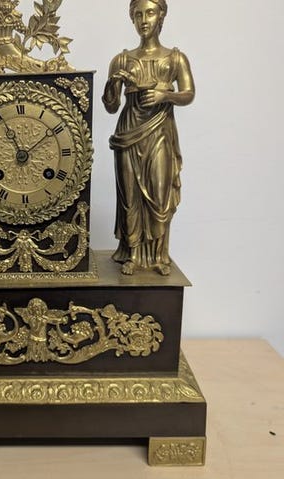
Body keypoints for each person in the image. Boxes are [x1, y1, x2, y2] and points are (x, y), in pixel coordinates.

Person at [102, 0, 195, 276]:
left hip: (160, 133)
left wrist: (165, 95)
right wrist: (113, 84)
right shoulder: (121, 60)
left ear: (161, 16)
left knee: (159, 194)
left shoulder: (175, 58)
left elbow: (189, 93)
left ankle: (159, 255)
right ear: (132, 19)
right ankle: (132, 253)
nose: (144, 20)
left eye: (150, 13)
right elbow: (111, 106)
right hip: (128, 133)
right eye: (138, 14)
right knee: (129, 197)